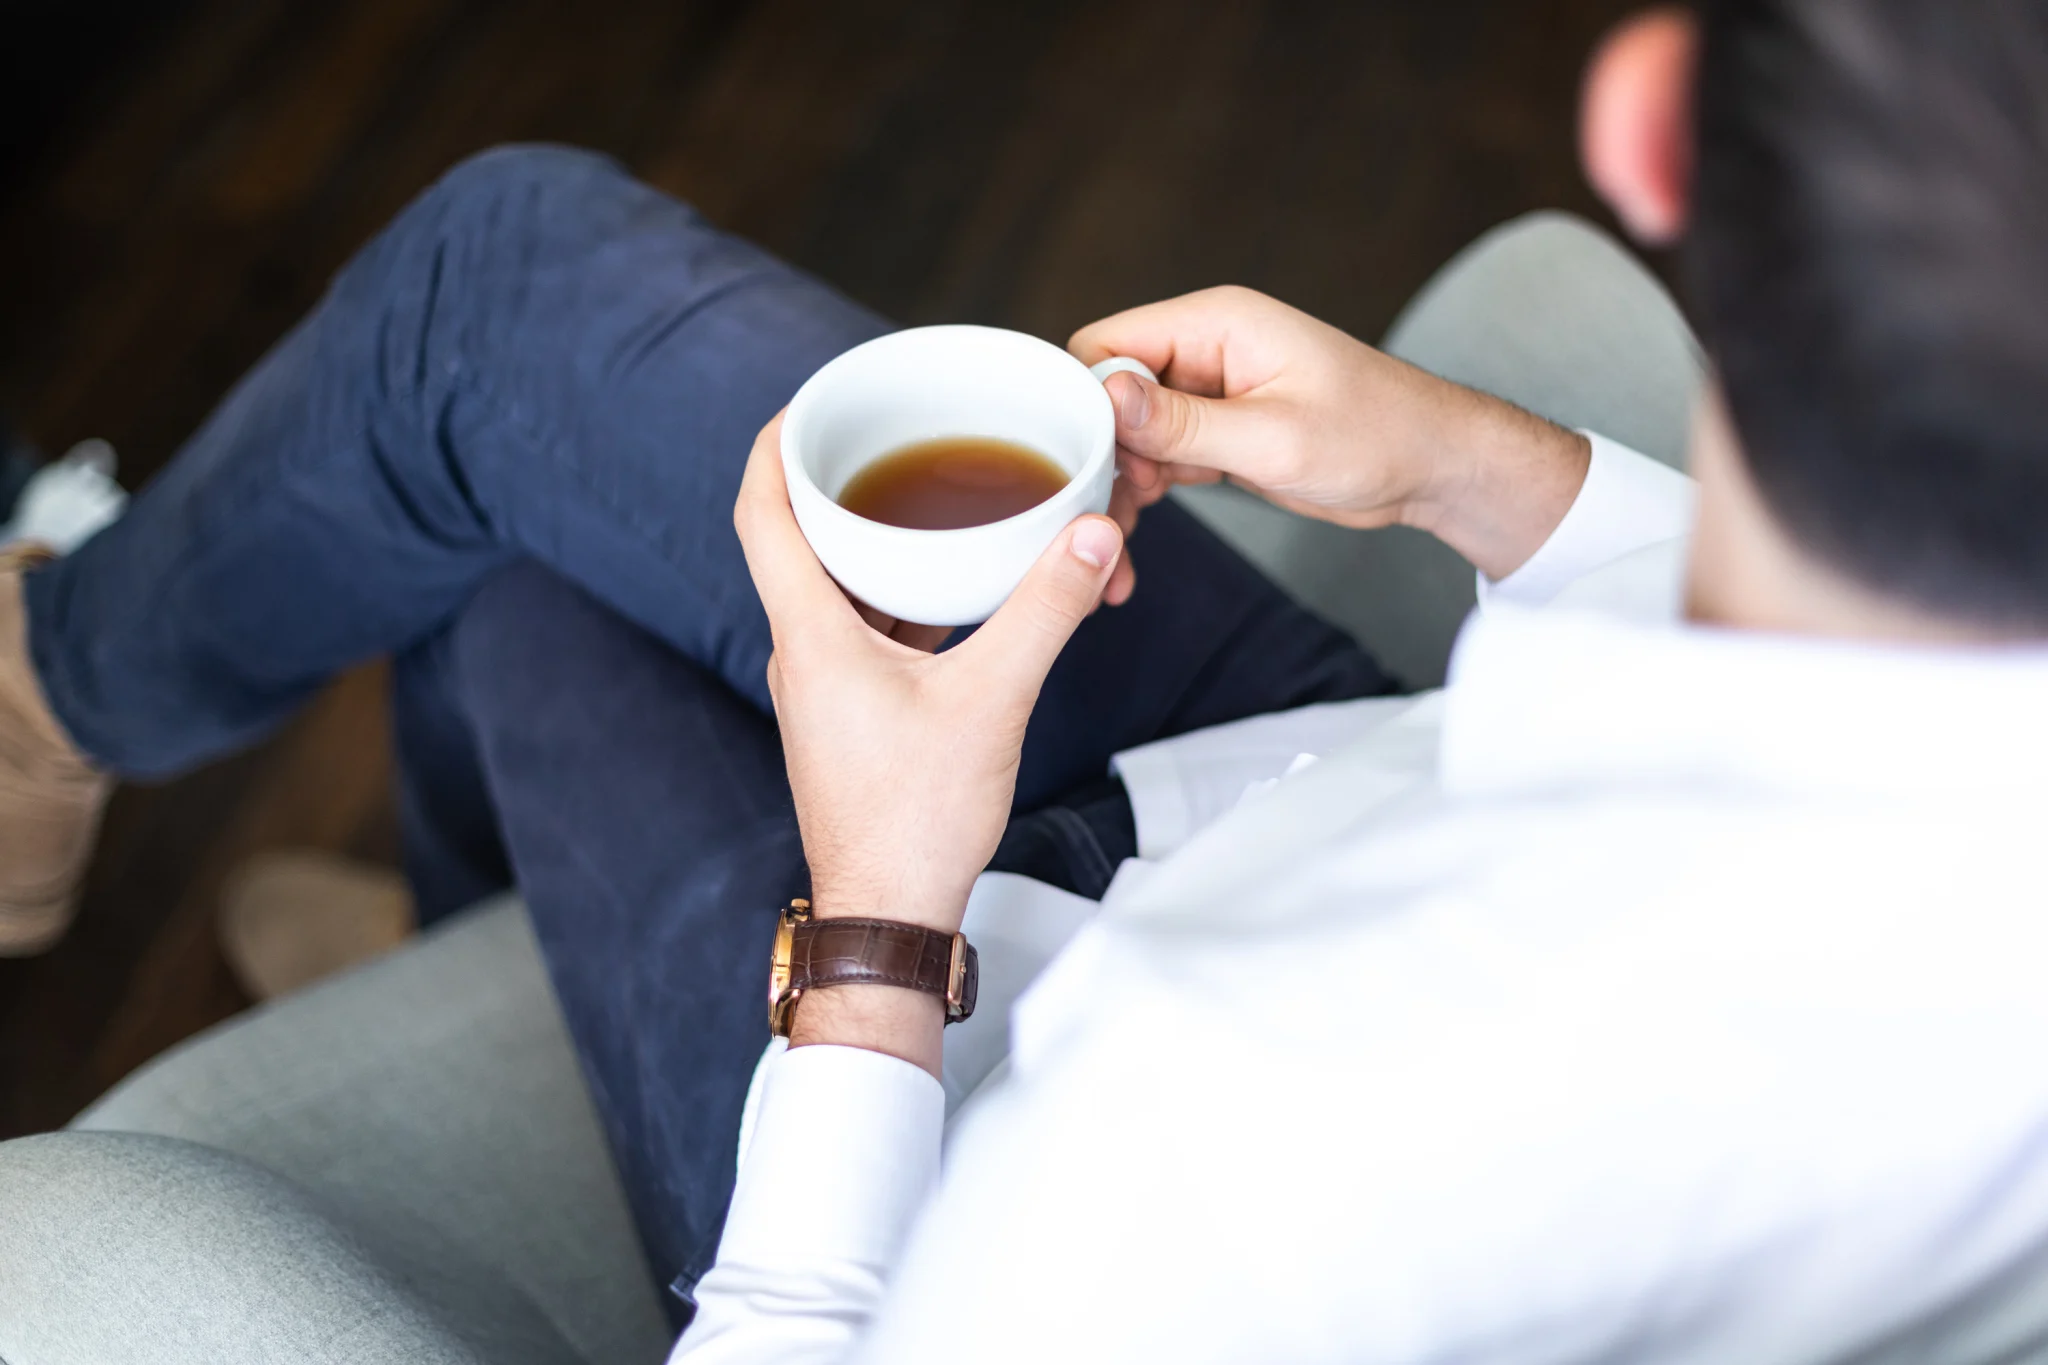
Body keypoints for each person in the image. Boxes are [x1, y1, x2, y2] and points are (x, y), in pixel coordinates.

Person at [6, 0, 2048, 1360]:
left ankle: (65, 736)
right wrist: (1469, 464)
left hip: (952, 1096)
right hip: (1303, 777)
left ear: (1651, 128)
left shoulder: (1230, 1135)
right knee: (508, 312)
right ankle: (160, 756)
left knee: (508, 541)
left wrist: (878, 926)